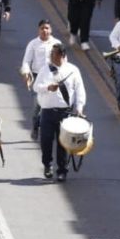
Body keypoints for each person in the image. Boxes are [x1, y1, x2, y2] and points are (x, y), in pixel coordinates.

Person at [32, 43, 86, 182]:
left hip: (65, 113)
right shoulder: (45, 69)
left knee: (63, 143)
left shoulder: (73, 70)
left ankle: (62, 170)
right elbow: (36, 87)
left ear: (61, 55)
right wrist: (47, 87)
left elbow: (80, 91)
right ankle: (47, 165)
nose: (50, 56)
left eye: (53, 53)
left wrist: (79, 108)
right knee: (46, 140)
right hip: (47, 112)